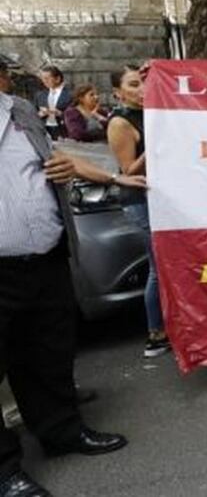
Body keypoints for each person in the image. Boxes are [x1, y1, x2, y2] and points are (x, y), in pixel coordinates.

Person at [1, 54, 138, 497]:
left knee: (48, 353)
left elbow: (51, 161)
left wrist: (61, 169)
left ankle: (62, 432)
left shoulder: (19, 112)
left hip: (45, 257)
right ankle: (5, 472)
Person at [107, 65, 168, 357]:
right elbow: (128, 170)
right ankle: (155, 334)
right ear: (118, 93)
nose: (142, 90)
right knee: (158, 268)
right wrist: (153, 143)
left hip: (165, 197)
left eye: (145, 82)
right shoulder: (120, 123)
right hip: (140, 200)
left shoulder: (154, 114)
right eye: (133, 85)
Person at [33, 66, 71, 140]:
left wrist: (60, 114)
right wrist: (39, 114)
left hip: (63, 129)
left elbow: (77, 114)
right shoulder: (40, 95)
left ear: (57, 79)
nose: (44, 81)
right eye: (43, 79)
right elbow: (33, 112)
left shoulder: (70, 95)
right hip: (45, 129)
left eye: (47, 78)